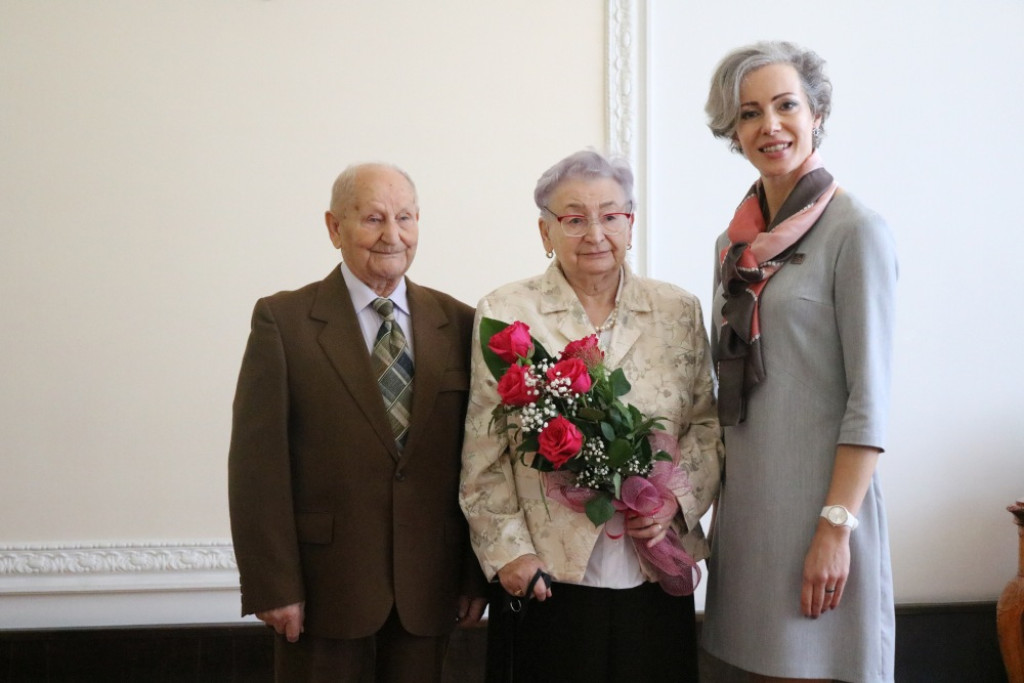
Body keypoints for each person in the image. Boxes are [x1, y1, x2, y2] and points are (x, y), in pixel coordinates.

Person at [459, 150, 724, 682]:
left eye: (611, 215)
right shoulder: (508, 313)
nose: (595, 233)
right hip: (547, 577)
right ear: (545, 232)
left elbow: (705, 428)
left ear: (631, 224)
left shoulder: (677, 310)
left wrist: (674, 502)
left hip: (654, 563)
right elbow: (484, 453)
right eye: (574, 219)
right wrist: (509, 554)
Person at [228, 163, 487, 683]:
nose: (392, 235)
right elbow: (258, 469)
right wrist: (275, 586)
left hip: (430, 589)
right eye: (372, 218)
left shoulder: (460, 322)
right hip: (324, 591)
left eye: (405, 218)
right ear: (333, 227)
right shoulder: (284, 322)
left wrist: (472, 578)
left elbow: (477, 462)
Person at [698, 42, 898, 682]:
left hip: (823, 520)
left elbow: (871, 400)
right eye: (750, 113)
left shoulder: (855, 230)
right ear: (734, 132)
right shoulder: (733, 246)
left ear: (816, 114)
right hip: (747, 525)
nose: (770, 125)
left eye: (787, 105)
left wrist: (835, 529)